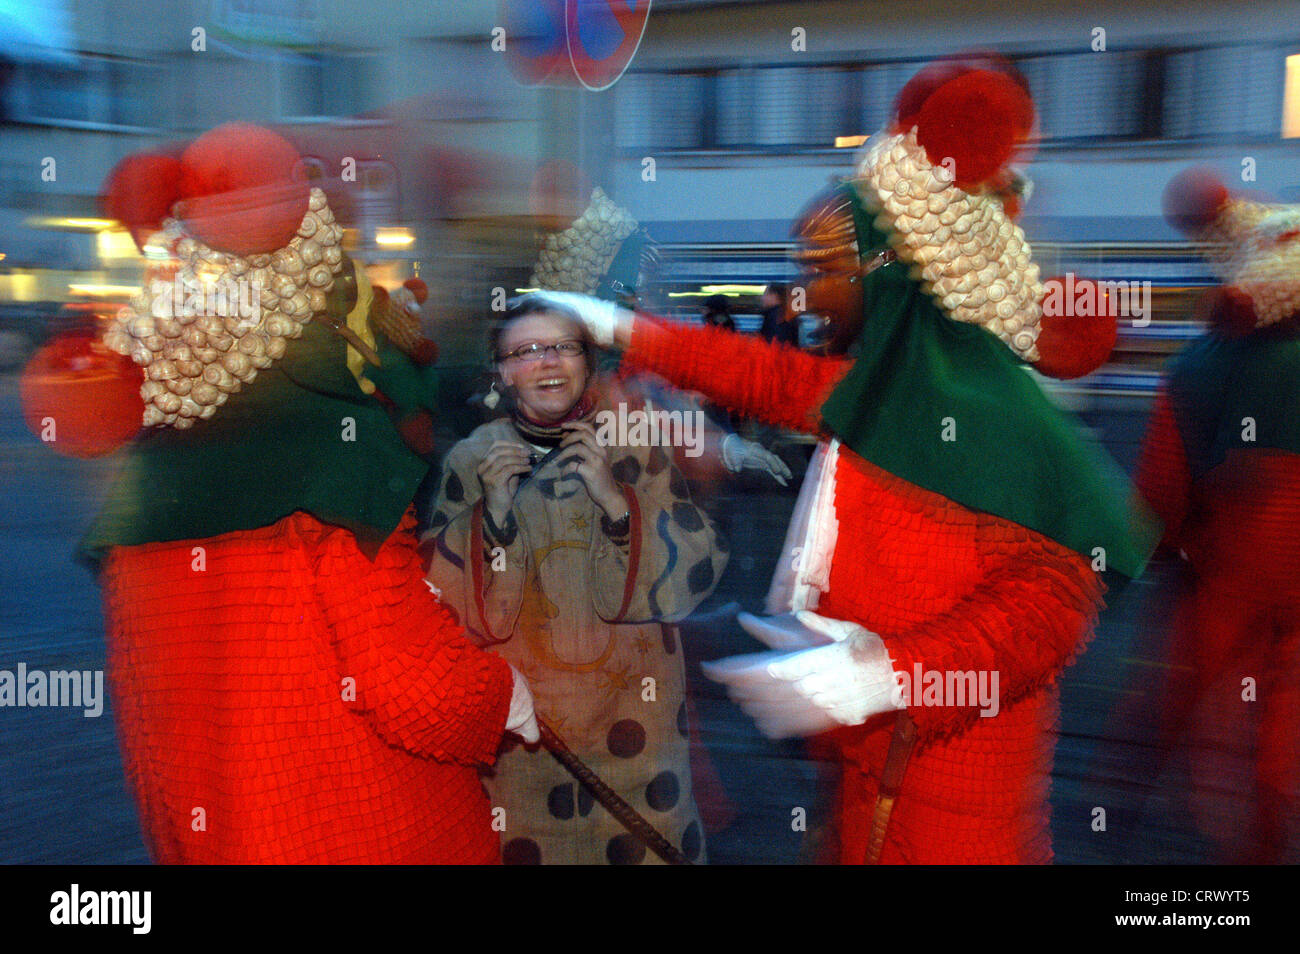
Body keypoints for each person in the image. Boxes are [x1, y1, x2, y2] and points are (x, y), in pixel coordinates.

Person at [530, 58, 1159, 864]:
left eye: (822, 270)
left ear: (893, 280)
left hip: (954, 796)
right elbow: (761, 374)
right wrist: (620, 328)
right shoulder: (882, 391)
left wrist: (885, 674)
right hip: (869, 773)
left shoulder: (989, 416)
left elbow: (1051, 606)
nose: (801, 297)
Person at [24, 124, 536, 864]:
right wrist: (502, 695)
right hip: (364, 832)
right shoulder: (335, 446)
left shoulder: (155, 470)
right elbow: (402, 683)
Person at [421, 296, 727, 864]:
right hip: (528, 736)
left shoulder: (632, 440)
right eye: (526, 351)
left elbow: (698, 565)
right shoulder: (473, 459)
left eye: (564, 347)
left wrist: (617, 504)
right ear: (504, 372)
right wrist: (490, 516)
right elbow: (440, 601)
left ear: (587, 363)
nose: (548, 362)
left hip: (636, 721)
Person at [1132, 169, 1300, 863]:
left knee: (1182, 696)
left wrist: (1167, 549)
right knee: (1286, 707)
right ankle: (1270, 826)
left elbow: (1162, 491)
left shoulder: (1199, 365)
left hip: (1228, 564)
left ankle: (1129, 794)